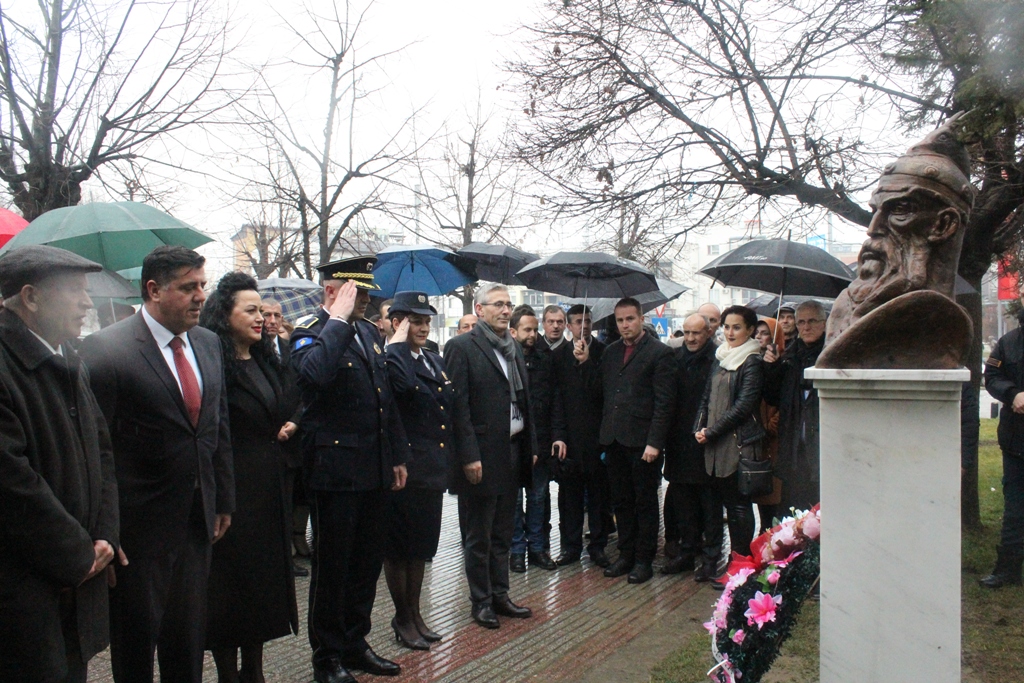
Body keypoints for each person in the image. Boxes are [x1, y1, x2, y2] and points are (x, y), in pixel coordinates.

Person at [80, 245, 234, 683]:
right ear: (153, 290)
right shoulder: (107, 349)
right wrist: (105, 529)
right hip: (137, 534)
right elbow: (97, 449)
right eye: (188, 288)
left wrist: (223, 498)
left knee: (187, 642)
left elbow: (216, 426)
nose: (201, 296)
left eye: (202, 285)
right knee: (135, 646)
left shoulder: (207, 343)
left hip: (196, 524)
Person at [0, 246, 121, 683]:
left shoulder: (68, 358)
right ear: (31, 297)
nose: (87, 303)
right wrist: (79, 554)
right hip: (24, 593)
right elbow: (12, 482)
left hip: (78, 582)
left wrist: (106, 533)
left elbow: (102, 452)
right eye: (74, 291)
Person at [290, 256, 409, 683]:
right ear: (332, 291)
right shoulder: (310, 331)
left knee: (365, 564)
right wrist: (337, 321)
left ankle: (356, 643)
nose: (367, 300)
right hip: (335, 473)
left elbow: (384, 398)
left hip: (373, 467)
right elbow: (313, 378)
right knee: (334, 568)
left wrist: (397, 455)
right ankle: (327, 657)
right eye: (358, 293)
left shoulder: (367, 332)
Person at [199, 273, 299, 683]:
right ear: (225, 314)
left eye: (262, 310)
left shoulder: (263, 359)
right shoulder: (212, 363)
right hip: (233, 493)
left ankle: (253, 670)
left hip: (268, 491)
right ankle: (228, 674)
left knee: (261, 588)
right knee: (228, 590)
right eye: (251, 310)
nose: (262, 318)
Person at [446, 283, 538, 629]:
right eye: (498, 304)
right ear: (479, 309)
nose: (505, 310)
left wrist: (531, 447)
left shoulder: (512, 347)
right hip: (482, 456)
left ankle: (501, 594)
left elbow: (524, 402)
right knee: (479, 535)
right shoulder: (462, 347)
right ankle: (481, 601)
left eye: (508, 304)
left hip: (512, 450)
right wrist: (468, 456)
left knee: (503, 532)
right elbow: (458, 408)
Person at [575, 298, 675, 584]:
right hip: (614, 439)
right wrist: (585, 362)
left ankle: (644, 559)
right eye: (620, 320)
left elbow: (665, 403)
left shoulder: (659, 353)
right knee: (621, 502)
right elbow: (599, 391)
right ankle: (626, 553)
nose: (625, 325)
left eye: (630, 319)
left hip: (643, 442)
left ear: (641, 318)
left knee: (644, 502)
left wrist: (655, 443)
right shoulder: (610, 352)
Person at [381, 291, 454, 648]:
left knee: (421, 548)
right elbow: (404, 388)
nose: (424, 328)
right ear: (397, 323)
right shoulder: (389, 359)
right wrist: (396, 345)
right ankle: (402, 617)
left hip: (431, 469)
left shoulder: (432, 359)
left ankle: (415, 613)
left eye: (427, 321)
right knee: (399, 549)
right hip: (405, 469)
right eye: (416, 322)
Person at [694, 305, 764, 564]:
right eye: (726, 327)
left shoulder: (752, 361)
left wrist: (712, 431)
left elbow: (744, 406)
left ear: (750, 330)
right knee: (714, 503)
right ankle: (715, 561)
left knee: (738, 506)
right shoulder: (721, 356)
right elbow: (706, 397)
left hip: (738, 443)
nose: (730, 332)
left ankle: (741, 563)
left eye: (737, 327)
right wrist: (699, 427)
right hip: (713, 442)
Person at [509, 305, 567, 572]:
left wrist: (558, 435)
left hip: (541, 440)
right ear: (514, 331)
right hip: (514, 441)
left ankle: (537, 548)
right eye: (527, 330)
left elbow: (556, 400)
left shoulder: (546, 359)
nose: (532, 335)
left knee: (538, 497)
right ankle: (516, 550)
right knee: (514, 500)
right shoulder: (505, 360)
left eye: (534, 329)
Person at [553, 304, 612, 568]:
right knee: (570, 498)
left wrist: (587, 363)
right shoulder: (558, 356)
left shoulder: (604, 353)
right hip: (569, 439)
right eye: (578, 321)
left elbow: (604, 393)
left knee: (599, 497)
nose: (584, 326)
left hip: (597, 437)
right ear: (569, 325)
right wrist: (558, 435)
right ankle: (570, 547)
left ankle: (598, 546)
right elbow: (556, 399)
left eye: (588, 321)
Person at [662, 313, 718, 577]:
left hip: (707, 440)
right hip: (678, 440)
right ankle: (686, 552)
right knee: (683, 501)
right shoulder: (674, 358)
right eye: (686, 333)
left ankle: (710, 558)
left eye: (696, 333)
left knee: (709, 503)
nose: (691, 338)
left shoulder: (718, 359)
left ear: (708, 332)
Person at [763, 301, 826, 513]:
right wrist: (771, 368)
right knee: (794, 511)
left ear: (824, 323)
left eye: (812, 321)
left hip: (821, 446)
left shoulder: (831, 355)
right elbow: (773, 398)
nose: (806, 327)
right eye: (801, 322)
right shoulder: (789, 357)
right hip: (794, 447)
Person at [980, 290, 1024, 588]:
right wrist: (1012, 394)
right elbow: (992, 378)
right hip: (1016, 442)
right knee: (1015, 510)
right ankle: (1008, 570)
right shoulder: (1008, 343)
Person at [261, 298, 309, 569]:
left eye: (276, 315)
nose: (271, 321)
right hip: (266, 440)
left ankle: (291, 551)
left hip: (292, 439)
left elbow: (304, 389)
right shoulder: (252, 351)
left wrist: (295, 421)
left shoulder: (292, 350)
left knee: (292, 499)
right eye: (266, 314)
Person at [753, 318, 784, 532]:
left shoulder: (785, 361)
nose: (759, 337)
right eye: (756, 332)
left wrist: (773, 423)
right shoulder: (752, 362)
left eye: (764, 333)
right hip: (759, 440)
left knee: (776, 497)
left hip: (775, 440)